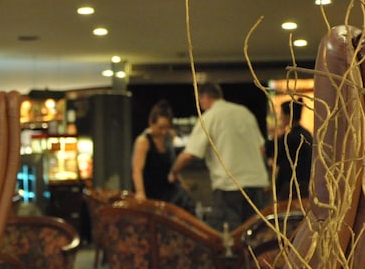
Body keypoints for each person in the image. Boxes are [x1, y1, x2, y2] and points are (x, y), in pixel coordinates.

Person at [168, 82, 268, 232]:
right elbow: (261, 149)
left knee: (228, 235)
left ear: (205, 97)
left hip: (230, 186)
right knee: (255, 233)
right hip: (256, 184)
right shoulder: (244, 113)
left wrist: (174, 172)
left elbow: (190, 154)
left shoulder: (210, 116)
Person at [131, 99, 191, 208]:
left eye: (166, 128)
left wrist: (182, 183)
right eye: (160, 128)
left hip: (168, 190)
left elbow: (171, 165)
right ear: (151, 123)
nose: (163, 131)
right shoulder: (143, 141)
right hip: (151, 190)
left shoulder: (169, 137)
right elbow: (137, 170)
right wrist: (140, 193)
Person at [269, 98, 313, 202]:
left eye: (281, 114)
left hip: (290, 186)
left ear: (288, 116)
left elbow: (277, 158)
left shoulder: (289, 137)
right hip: (305, 184)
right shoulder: (306, 134)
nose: (280, 117)